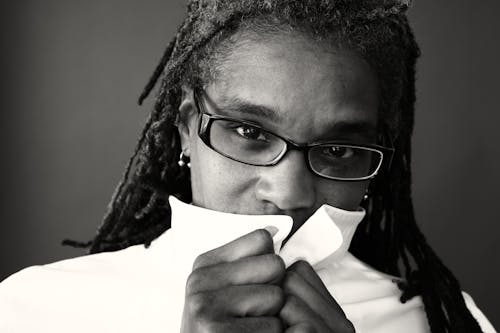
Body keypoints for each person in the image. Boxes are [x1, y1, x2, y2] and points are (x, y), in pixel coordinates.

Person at [0, 0, 496, 332]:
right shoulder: (34, 310)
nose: (289, 193)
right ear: (187, 130)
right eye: (251, 133)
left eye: (338, 150)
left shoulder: (443, 321)